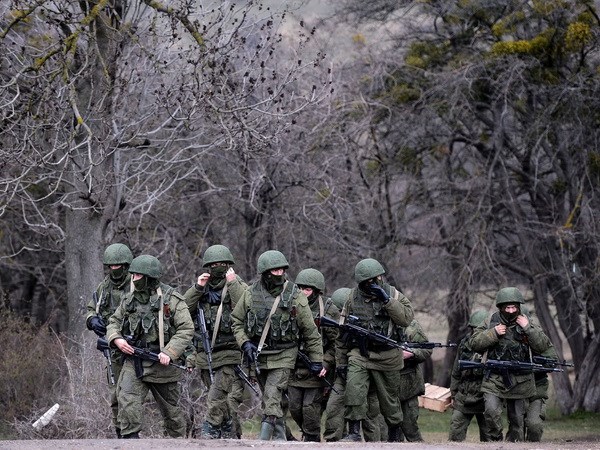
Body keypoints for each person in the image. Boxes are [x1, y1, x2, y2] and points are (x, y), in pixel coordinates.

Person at [231, 250, 324, 441]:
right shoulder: (250, 293)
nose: (279, 274)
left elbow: (310, 332)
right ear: (265, 273)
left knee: (272, 395)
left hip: (285, 353)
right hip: (259, 354)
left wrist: (317, 360)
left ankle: (263, 441)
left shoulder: (295, 295)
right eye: (275, 271)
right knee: (270, 397)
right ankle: (282, 438)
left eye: (282, 270)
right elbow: (236, 321)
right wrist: (245, 342)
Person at [106, 254, 195, 439]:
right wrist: (117, 339)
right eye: (133, 275)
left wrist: (169, 352)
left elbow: (186, 328)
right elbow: (113, 321)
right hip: (134, 358)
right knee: (127, 399)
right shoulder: (129, 299)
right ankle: (130, 440)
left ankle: (177, 443)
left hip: (162, 363)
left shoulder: (172, 299)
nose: (133, 279)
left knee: (172, 414)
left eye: (138, 276)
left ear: (149, 277)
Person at [337, 258, 414, 442]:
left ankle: (394, 434)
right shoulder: (352, 298)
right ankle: (354, 432)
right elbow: (342, 333)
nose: (374, 282)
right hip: (360, 353)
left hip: (388, 354)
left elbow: (406, 319)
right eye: (369, 281)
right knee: (353, 389)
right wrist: (341, 362)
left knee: (389, 399)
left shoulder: (394, 295)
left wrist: (386, 300)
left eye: (377, 278)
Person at [469, 287, 553, 442]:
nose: (511, 310)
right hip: (494, 377)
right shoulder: (490, 321)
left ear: (519, 307)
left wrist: (527, 328)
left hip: (520, 379)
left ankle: (513, 444)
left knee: (517, 422)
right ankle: (496, 441)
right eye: (507, 307)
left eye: (514, 307)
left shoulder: (527, 322)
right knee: (491, 411)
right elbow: (473, 343)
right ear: (501, 307)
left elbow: (543, 346)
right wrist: (493, 333)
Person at [183, 244, 248, 439]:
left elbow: (245, 304)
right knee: (219, 396)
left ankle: (209, 429)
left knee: (216, 395)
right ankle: (228, 427)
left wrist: (233, 282)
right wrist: (198, 288)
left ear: (229, 265)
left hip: (229, 351)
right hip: (205, 352)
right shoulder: (202, 287)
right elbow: (183, 309)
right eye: (213, 264)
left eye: (222, 264)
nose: (217, 267)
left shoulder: (238, 284)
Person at [85, 243, 133, 438]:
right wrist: (92, 320)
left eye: (118, 266)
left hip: (133, 345)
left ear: (126, 265)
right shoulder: (104, 287)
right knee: (115, 395)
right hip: (112, 348)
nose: (114, 270)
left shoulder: (136, 284)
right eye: (111, 266)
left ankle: (133, 432)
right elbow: (90, 309)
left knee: (129, 394)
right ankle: (121, 432)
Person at [287, 268, 340, 442]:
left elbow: (336, 344)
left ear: (316, 291)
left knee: (310, 408)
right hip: (294, 367)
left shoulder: (328, 309)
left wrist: (325, 363)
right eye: (300, 288)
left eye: (307, 289)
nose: (303, 292)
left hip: (317, 370)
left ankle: (312, 440)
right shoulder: (290, 304)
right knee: (294, 407)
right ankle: (309, 434)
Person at [449, 309, 492, 442]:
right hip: (465, 395)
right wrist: (453, 394)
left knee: (490, 436)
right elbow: (456, 371)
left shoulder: (494, 345)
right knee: (456, 429)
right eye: (474, 329)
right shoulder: (465, 344)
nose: (476, 332)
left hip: (485, 395)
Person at [397, 318, 432, 442]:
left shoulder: (411, 326)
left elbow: (427, 349)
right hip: (384, 384)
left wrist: (412, 353)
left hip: (408, 384)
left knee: (410, 426)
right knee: (385, 431)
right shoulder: (375, 321)